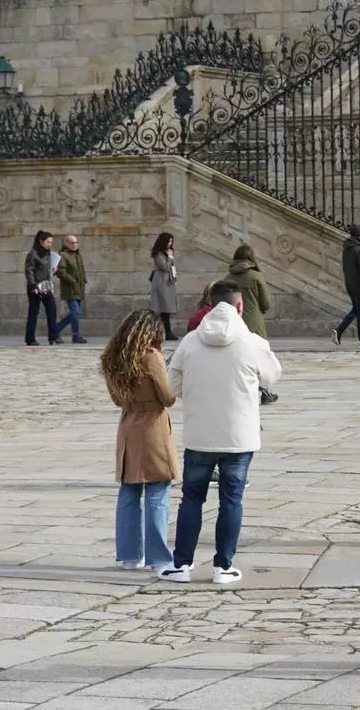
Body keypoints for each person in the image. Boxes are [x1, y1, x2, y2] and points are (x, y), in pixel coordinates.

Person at [160, 280, 282, 585]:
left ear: (211, 306)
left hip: (200, 434)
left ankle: (182, 564)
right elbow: (273, 375)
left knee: (191, 499)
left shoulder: (189, 341)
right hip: (239, 436)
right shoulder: (253, 342)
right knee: (232, 500)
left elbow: (171, 386)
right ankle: (222, 566)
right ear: (239, 307)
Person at [100, 310, 179, 571]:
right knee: (157, 492)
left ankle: (130, 555)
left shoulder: (113, 358)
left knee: (129, 492)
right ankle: (158, 557)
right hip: (152, 427)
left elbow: (116, 399)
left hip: (128, 425)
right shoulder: (151, 357)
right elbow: (167, 397)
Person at [226, 244, 278, 405]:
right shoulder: (256, 276)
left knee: (237, 357)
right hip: (254, 322)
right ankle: (263, 391)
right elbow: (266, 303)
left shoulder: (227, 278)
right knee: (259, 357)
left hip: (234, 321)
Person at [24, 230, 61, 346]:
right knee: (33, 313)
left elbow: (47, 269)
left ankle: (53, 336)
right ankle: (30, 338)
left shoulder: (49, 253)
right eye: (48, 242)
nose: (50, 244)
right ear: (41, 241)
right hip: (35, 287)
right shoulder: (33, 254)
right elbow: (29, 271)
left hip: (46, 286)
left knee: (52, 310)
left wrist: (54, 270)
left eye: (51, 242)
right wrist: (33, 286)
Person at [55, 234, 88, 344]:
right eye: (72, 243)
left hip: (79, 288)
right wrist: (72, 281)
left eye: (76, 243)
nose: (74, 245)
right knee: (75, 312)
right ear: (66, 244)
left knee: (76, 313)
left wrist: (84, 279)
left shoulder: (78, 255)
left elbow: (81, 270)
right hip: (70, 289)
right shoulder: (63, 255)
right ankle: (75, 335)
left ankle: (55, 329)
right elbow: (60, 272)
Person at [150, 232, 178, 341]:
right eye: (169, 241)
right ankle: (165, 332)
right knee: (162, 308)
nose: (170, 244)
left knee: (166, 309)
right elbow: (165, 267)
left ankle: (167, 332)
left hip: (168, 282)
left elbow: (172, 266)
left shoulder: (167, 253)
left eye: (171, 241)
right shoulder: (158, 254)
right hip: (161, 282)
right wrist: (170, 257)